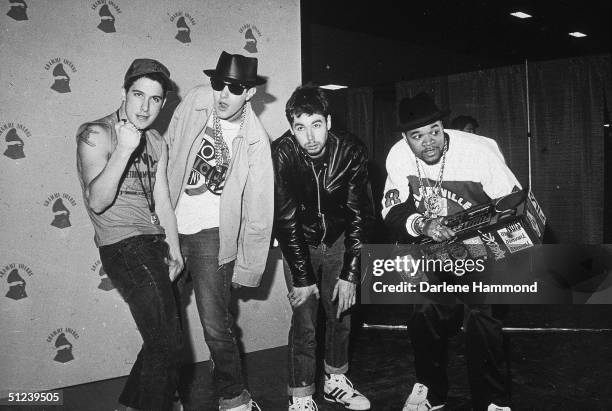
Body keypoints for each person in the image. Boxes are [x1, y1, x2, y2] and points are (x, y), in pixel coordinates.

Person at [381, 92, 520, 411]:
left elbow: (513, 205)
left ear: (443, 126)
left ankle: (493, 400)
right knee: (423, 314)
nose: (428, 142)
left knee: (482, 319)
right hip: (434, 248)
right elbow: (391, 209)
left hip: (482, 244)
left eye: (434, 131)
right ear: (406, 138)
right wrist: (423, 225)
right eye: (417, 136)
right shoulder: (399, 155)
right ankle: (431, 391)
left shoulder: (479, 152)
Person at [165, 51, 273, 411]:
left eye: (235, 88)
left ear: (250, 93)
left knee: (216, 326)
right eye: (218, 84)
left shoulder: (256, 140)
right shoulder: (196, 101)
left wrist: (248, 266)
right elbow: (167, 153)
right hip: (171, 228)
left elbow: (259, 211)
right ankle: (166, 396)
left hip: (213, 235)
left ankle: (234, 398)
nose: (224, 94)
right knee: (164, 323)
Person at [76, 58, 184, 411]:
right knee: (166, 341)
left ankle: (132, 405)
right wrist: (123, 149)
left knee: (161, 339)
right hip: (123, 246)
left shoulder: (157, 142)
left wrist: (176, 250)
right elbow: (97, 201)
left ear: (163, 103)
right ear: (124, 93)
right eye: (138, 95)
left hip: (154, 244)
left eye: (155, 99)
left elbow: (163, 201)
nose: (145, 106)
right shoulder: (96, 133)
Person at [272, 84, 373, 411]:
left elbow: (360, 215)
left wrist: (350, 272)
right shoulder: (282, 153)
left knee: (341, 312)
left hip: (341, 239)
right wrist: (303, 278)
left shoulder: (352, 150)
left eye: (316, 124)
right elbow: (285, 220)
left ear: (328, 121)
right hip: (299, 242)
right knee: (305, 320)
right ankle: (300, 395)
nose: (310, 137)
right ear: (292, 129)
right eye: (300, 128)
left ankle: (336, 381)